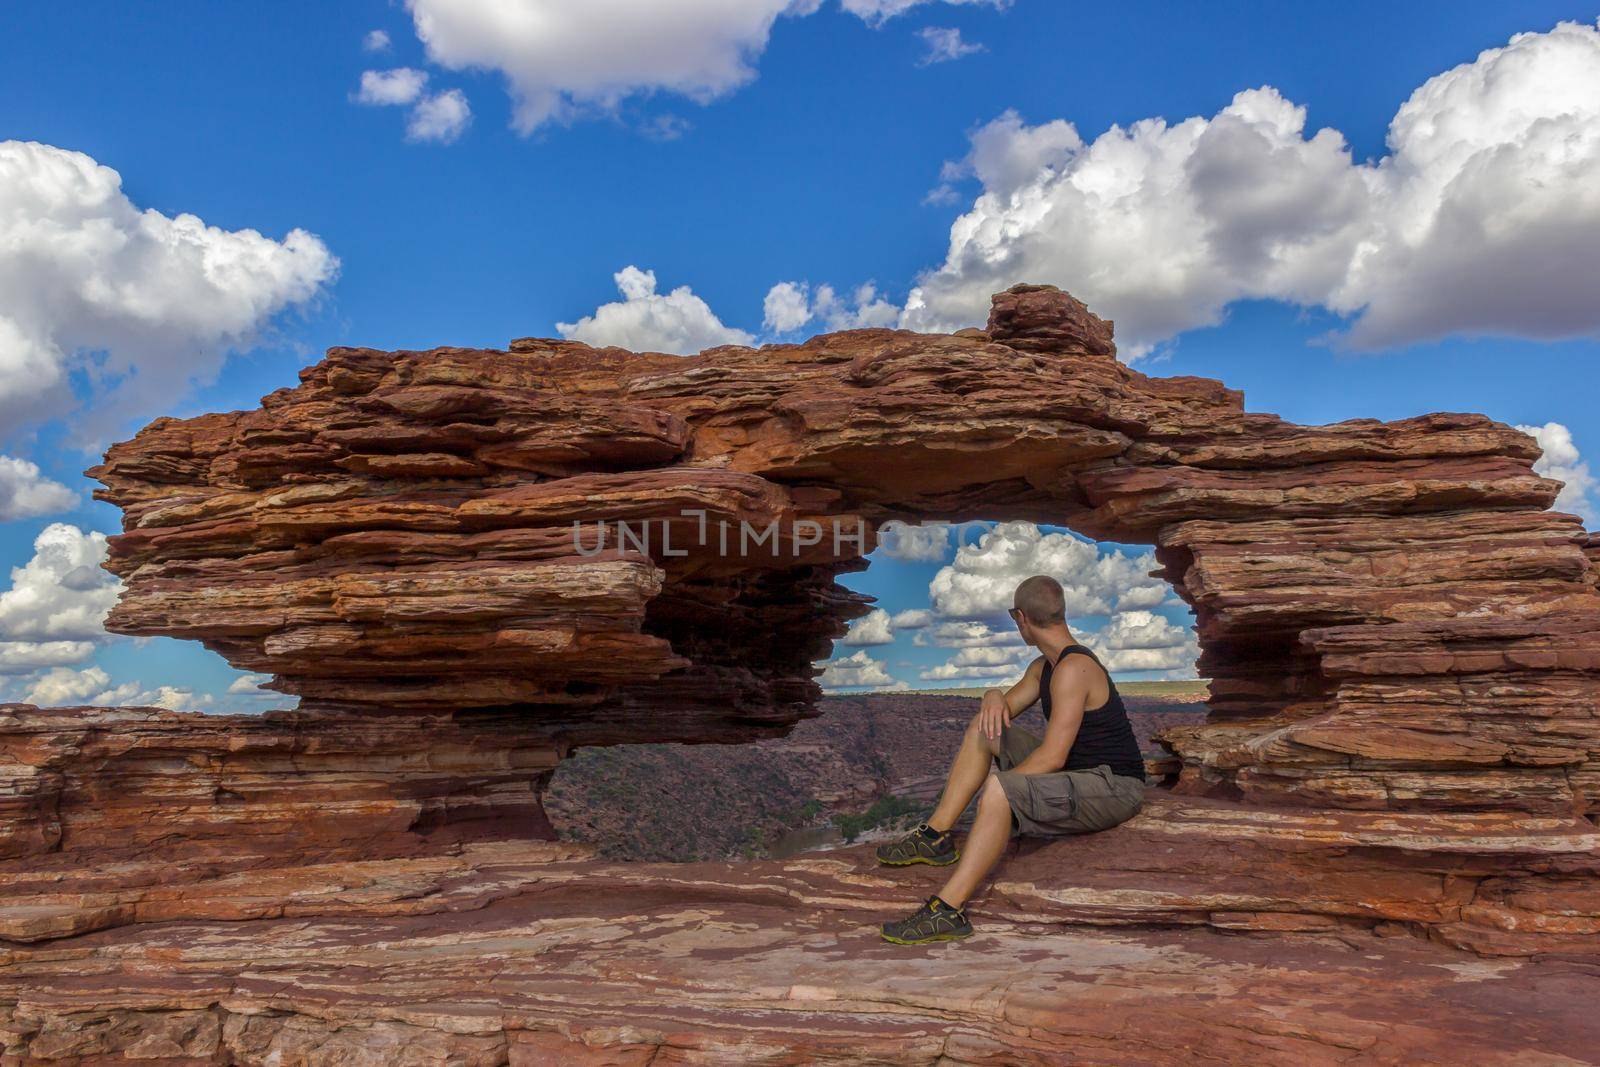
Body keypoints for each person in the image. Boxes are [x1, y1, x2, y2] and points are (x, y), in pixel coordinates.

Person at [875, 574, 1147, 944]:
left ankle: (948, 910)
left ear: (1020, 617)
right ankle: (934, 837)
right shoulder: (1045, 667)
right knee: (983, 730)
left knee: (1001, 789)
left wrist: (999, 791)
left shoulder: (1073, 669)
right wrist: (991, 695)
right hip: (1079, 775)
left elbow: (1052, 758)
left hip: (1113, 787)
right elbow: (1003, 710)